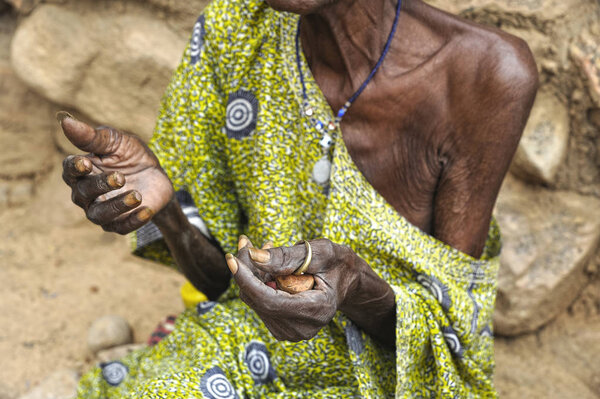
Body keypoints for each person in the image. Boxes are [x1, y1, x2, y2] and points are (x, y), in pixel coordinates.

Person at [59, 0, 538, 396]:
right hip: (244, 346)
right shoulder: (234, 34)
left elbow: (451, 352)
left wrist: (355, 285)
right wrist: (169, 215)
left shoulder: (486, 75)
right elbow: (223, 287)